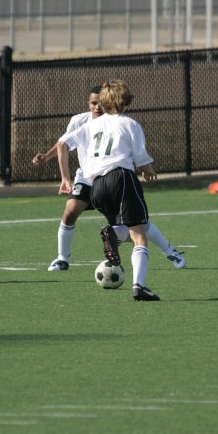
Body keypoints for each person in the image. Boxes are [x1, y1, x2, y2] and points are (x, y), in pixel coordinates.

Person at [32, 86, 185, 273]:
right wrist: (58, 169)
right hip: (88, 178)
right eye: (93, 103)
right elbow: (62, 143)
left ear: (108, 103)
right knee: (70, 212)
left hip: (110, 178)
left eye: (100, 103)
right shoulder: (80, 121)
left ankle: (170, 251)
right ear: (88, 104)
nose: (97, 107)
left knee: (133, 225)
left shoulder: (117, 122)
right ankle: (62, 259)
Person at [57, 79, 162, 301]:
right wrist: (149, 170)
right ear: (124, 100)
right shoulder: (129, 124)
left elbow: (62, 144)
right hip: (121, 178)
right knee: (140, 234)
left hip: (96, 186)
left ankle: (113, 233)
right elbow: (141, 157)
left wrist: (65, 177)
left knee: (124, 228)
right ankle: (139, 286)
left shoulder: (89, 125)